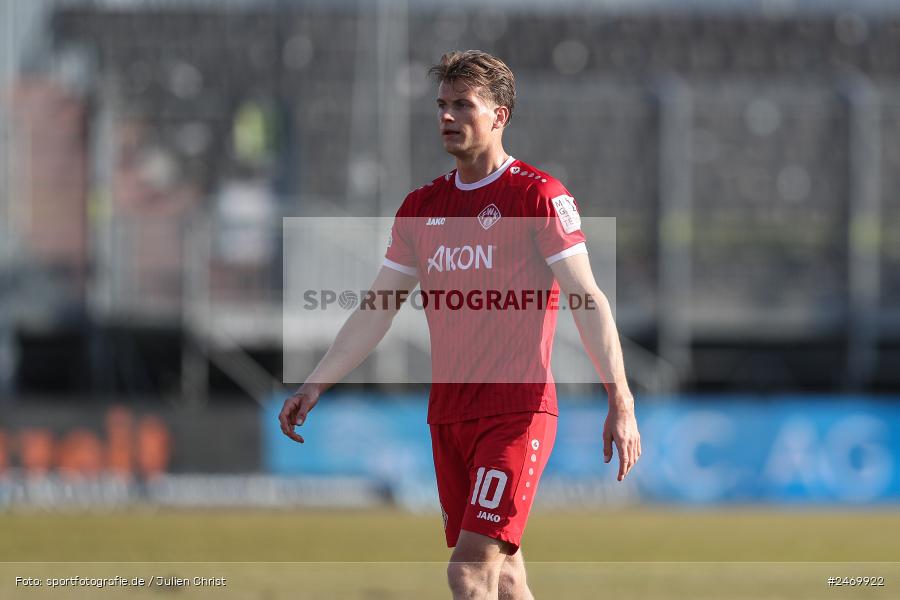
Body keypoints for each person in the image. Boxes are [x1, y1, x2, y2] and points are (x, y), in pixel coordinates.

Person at [279, 50, 641, 600]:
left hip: (515, 413)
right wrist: (316, 381)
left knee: (469, 572)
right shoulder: (422, 206)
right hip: (448, 414)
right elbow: (378, 306)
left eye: (463, 105)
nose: (447, 116)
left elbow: (587, 299)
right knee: (506, 575)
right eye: (441, 105)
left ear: (500, 115)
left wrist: (621, 399)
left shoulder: (537, 196)